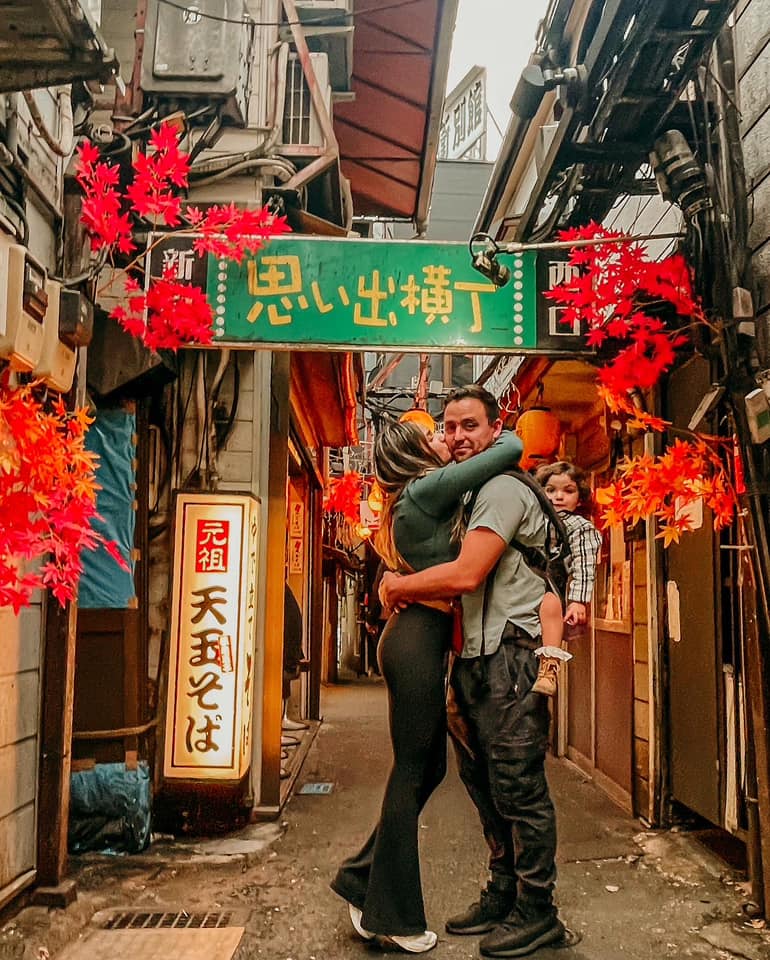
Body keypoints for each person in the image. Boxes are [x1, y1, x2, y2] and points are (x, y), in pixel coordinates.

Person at [380, 384, 567, 960]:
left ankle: (538, 911)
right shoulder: (467, 494)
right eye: (450, 426)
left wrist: (397, 586)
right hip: (475, 659)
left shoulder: (503, 490)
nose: (458, 437)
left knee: (519, 787)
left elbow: (466, 574)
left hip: (511, 657)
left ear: (493, 430)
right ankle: (504, 891)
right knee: (484, 786)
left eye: (470, 426)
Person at [331, 418, 523, 954]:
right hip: (415, 642)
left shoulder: (409, 499)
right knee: (413, 769)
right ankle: (392, 915)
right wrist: (487, 435)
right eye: (436, 437)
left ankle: (361, 877)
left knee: (427, 767)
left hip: (416, 638)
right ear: (415, 454)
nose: (446, 439)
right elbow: (511, 446)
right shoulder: (424, 488)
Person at [532, 461, 603, 697]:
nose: (558, 496)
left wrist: (578, 600)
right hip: (526, 582)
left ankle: (549, 667)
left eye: (568, 491)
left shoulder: (579, 527)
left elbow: (585, 563)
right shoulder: (533, 519)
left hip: (552, 581)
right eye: (550, 490)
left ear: (579, 497)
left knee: (550, 605)